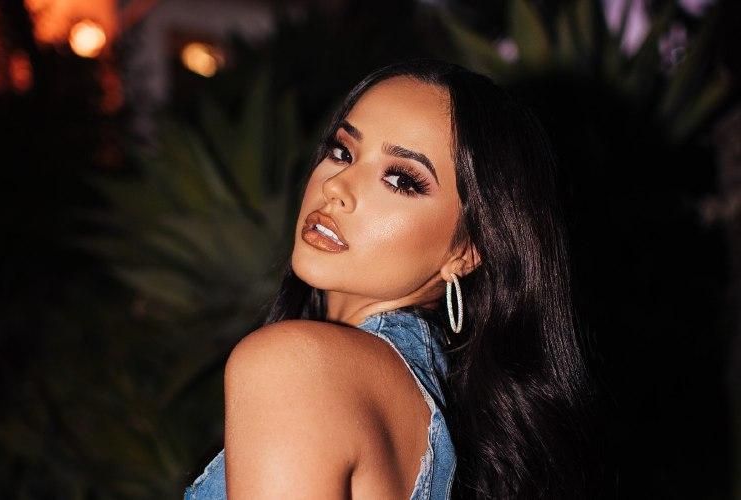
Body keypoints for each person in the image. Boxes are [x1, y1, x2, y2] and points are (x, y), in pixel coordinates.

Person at [183, 58, 597, 499]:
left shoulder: (296, 366)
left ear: (466, 253)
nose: (336, 186)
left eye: (400, 180)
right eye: (342, 151)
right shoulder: (423, 403)